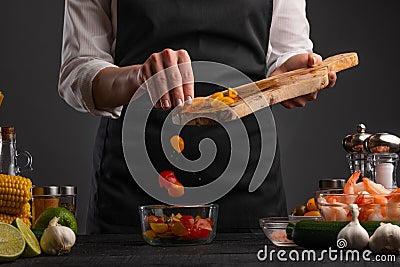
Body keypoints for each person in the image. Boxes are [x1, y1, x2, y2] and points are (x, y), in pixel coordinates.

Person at [59, 0, 337, 234]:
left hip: (249, 184)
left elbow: (286, 53)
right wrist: (137, 78)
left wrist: (296, 74)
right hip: (134, 185)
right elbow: (79, 69)